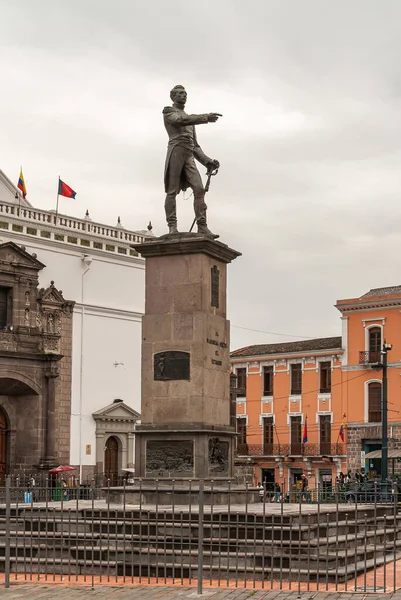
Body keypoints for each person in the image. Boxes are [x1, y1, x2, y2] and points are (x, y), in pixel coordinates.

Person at [163, 85, 221, 236]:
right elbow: (181, 120)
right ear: (173, 97)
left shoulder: (190, 121)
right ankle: (172, 226)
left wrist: (208, 161)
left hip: (189, 154)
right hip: (176, 151)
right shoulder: (169, 112)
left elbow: (195, 146)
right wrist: (205, 117)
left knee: (199, 189)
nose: (184, 96)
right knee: (172, 191)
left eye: (185, 93)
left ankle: (202, 226)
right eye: (180, 93)